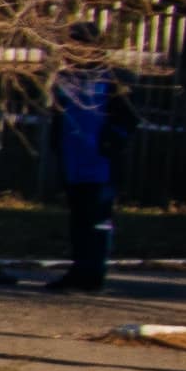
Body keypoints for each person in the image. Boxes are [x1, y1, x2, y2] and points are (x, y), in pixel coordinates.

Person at [51, 38, 138, 293]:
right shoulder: (65, 79)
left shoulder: (112, 79)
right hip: (74, 159)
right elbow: (58, 114)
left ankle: (93, 273)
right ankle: (78, 270)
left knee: (97, 221)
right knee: (78, 220)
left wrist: (111, 143)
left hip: (101, 164)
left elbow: (129, 118)